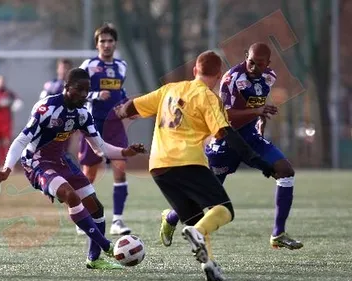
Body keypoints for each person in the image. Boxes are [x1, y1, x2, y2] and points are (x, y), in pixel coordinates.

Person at [114, 51, 275, 281]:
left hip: (158, 166)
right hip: (187, 160)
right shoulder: (208, 98)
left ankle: (209, 266)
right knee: (224, 210)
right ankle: (196, 233)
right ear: (219, 76)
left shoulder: (169, 89)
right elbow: (226, 134)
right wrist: (259, 161)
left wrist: (115, 114)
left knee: (196, 218)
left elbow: (130, 108)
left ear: (194, 71)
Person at [0, 68, 145, 270]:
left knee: (95, 206)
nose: (83, 95)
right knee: (70, 195)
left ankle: (94, 259)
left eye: (86, 90)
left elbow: (101, 148)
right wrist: (7, 168)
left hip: (61, 160)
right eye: (79, 90)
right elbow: (22, 139)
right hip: (36, 161)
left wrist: (126, 152)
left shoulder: (83, 114)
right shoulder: (47, 107)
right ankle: (107, 246)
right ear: (66, 88)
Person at [159, 43, 303, 251]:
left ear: (268, 64)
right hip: (226, 141)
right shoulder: (232, 78)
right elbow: (224, 115)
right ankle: (171, 217)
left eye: (259, 64)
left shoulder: (270, 77)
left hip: (251, 139)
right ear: (246, 56)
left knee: (285, 171)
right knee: (203, 201)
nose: (253, 66)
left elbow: (258, 104)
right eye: (250, 61)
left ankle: (278, 233)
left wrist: (261, 118)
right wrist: (258, 111)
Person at [78, 23, 131, 235]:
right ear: (97, 44)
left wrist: (127, 105)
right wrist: (95, 95)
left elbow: (121, 91)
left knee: (120, 169)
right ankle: (82, 215)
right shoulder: (88, 66)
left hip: (114, 126)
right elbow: (74, 91)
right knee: (89, 175)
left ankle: (117, 220)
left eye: (110, 41)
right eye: (102, 41)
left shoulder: (121, 66)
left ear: (115, 43)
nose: (106, 45)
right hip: (92, 125)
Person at [0, 75, 21, 167]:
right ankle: (0, 164)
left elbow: (17, 100)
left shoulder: (8, 93)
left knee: (7, 142)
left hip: (6, 120)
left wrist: (16, 104)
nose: (1, 83)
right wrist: (1, 104)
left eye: (2, 81)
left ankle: (8, 164)